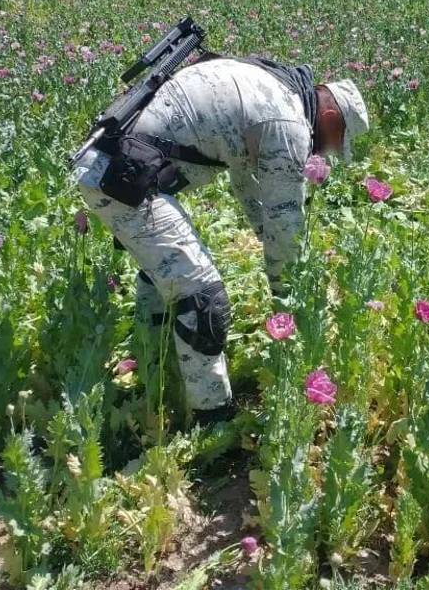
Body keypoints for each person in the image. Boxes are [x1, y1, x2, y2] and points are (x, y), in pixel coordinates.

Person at [72, 55, 370, 425]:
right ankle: (212, 422)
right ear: (329, 119)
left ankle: (156, 374)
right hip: (122, 177)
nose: (324, 153)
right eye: (333, 143)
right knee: (201, 298)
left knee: (164, 276)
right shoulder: (287, 123)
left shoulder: (272, 91)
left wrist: (270, 246)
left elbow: (249, 190)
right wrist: (289, 299)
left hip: (115, 166)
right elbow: (284, 225)